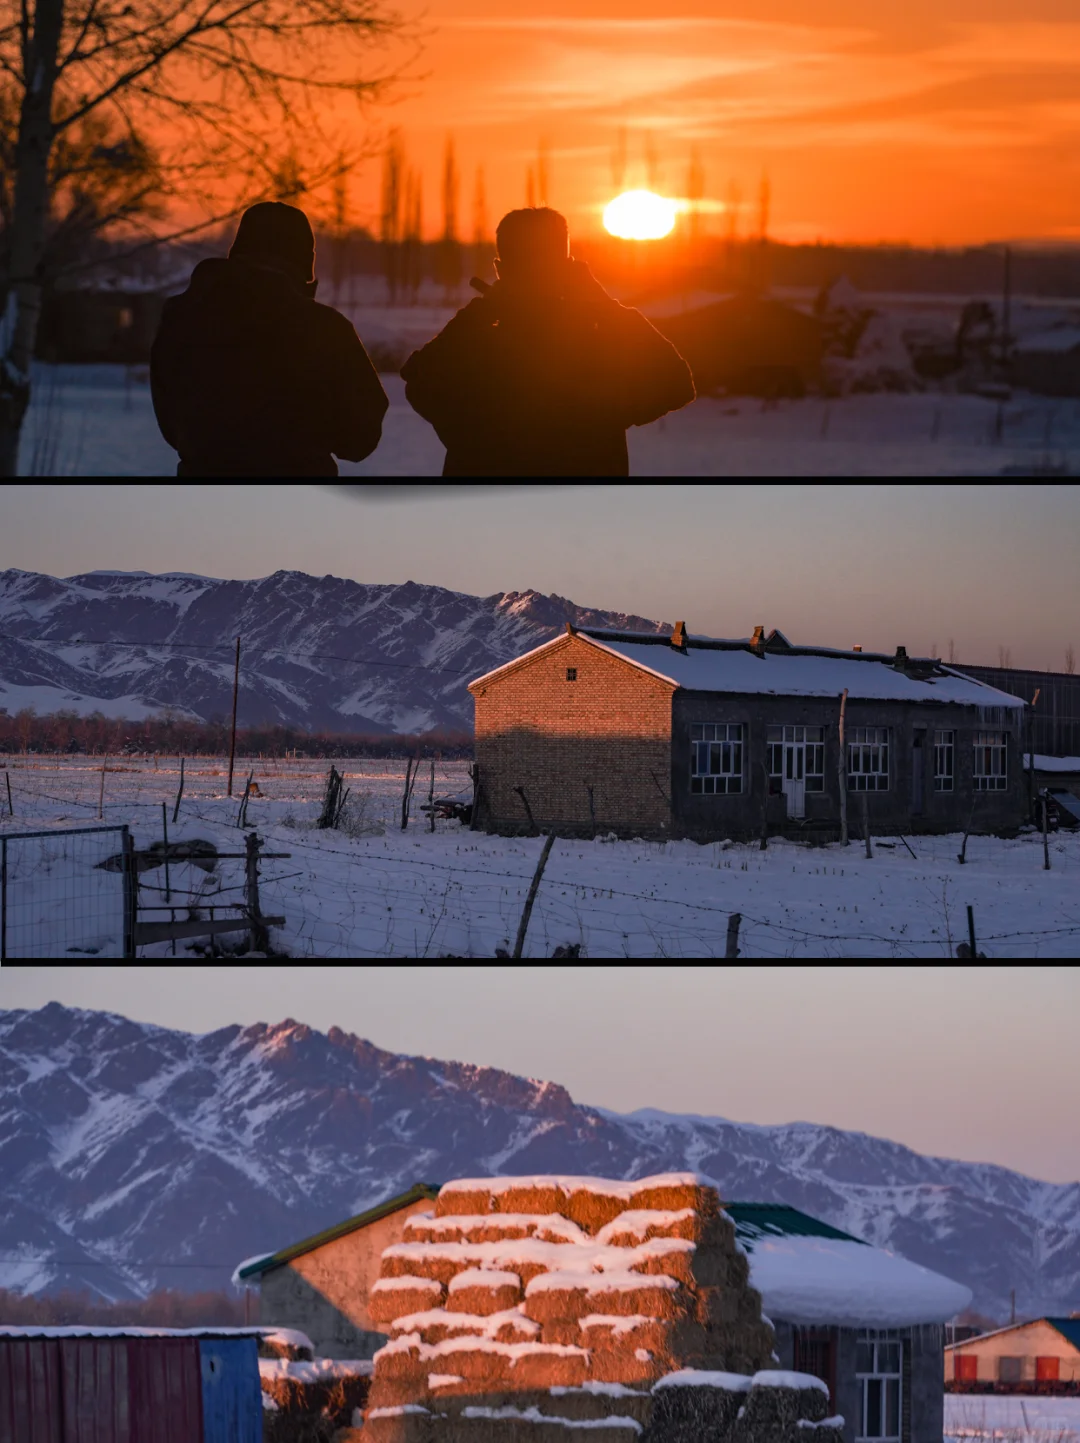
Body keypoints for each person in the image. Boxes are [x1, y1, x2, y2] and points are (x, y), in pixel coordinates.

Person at [400, 207, 694, 476]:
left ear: (500, 269)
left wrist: (478, 313)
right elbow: (676, 383)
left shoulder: (475, 349)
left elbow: (417, 378)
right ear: (569, 270)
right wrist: (604, 303)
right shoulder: (600, 348)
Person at [151, 201, 388, 476]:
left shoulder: (181, 319)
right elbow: (360, 438)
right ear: (303, 261)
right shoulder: (323, 327)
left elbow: (171, 424)